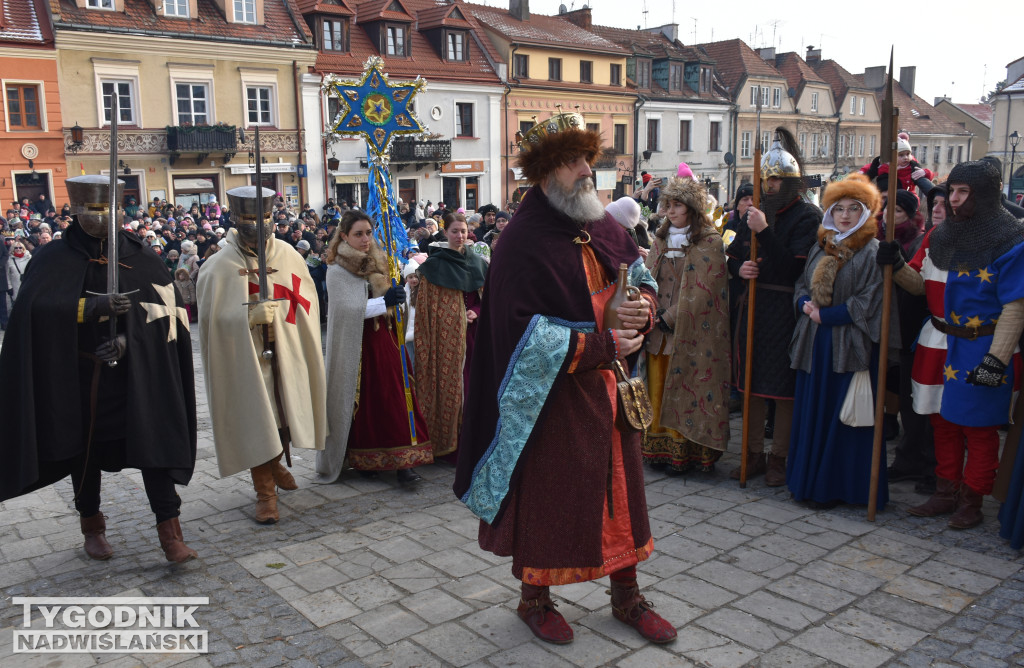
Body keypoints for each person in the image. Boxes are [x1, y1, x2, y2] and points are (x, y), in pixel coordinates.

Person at [453, 111, 675, 645]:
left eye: (586, 160)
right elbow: (518, 334)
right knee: (550, 496)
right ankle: (535, 598)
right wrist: (598, 344)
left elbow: (639, 276)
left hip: (612, 388)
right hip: (553, 399)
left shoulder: (599, 222)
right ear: (547, 172)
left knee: (621, 493)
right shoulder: (521, 241)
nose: (586, 171)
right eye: (573, 162)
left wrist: (642, 307)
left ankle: (627, 595)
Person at [0, 175, 198, 562]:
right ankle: (91, 524)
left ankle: (170, 532)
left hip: (137, 377)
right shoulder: (53, 258)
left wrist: (129, 341)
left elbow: (167, 317)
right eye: (93, 210)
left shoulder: (143, 256)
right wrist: (87, 309)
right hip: (78, 378)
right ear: (75, 211)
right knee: (83, 455)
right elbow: (33, 313)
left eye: (109, 209)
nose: (102, 217)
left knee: (152, 446)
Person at [879, 160, 1024, 529]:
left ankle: (972, 500)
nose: (953, 200)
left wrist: (997, 360)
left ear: (986, 196)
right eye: (951, 191)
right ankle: (946, 491)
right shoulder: (939, 238)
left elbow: (1015, 307)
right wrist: (895, 263)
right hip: (937, 340)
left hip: (982, 345)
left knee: (978, 429)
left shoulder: (1010, 241)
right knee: (940, 423)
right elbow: (920, 286)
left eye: (962, 193)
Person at [197, 186, 327, 525]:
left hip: (285, 352)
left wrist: (283, 319)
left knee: (283, 416)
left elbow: (306, 305)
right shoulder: (219, 265)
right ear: (237, 220)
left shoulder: (288, 255)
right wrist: (245, 318)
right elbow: (211, 321)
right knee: (256, 417)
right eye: (251, 219)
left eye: (265, 217)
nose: (259, 225)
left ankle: (274, 463)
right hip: (245, 358)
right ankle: (265, 493)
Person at [787, 174, 898, 509]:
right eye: (839, 209)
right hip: (814, 344)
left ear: (866, 213)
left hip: (848, 347)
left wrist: (829, 316)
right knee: (813, 413)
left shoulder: (873, 252)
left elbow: (870, 300)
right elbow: (801, 285)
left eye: (854, 208)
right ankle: (807, 482)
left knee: (844, 416)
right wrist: (804, 303)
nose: (845, 215)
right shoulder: (821, 247)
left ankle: (838, 488)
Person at [726, 129, 820, 486]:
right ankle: (752, 454)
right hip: (752, 305)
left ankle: (778, 456)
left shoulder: (806, 216)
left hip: (783, 307)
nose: (770, 185)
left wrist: (764, 232)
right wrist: (739, 268)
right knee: (748, 382)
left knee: (782, 387)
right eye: (766, 179)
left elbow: (793, 268)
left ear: (791, 180)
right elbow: (732, 255)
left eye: (777, 179)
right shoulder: (752, 213)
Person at [316, 210, 433, 485]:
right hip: (358, 345)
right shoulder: (337, 269)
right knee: (365, 402)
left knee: (397, 393)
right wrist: (386, 302)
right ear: (344, 236)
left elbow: (391, 301)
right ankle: (363, 458)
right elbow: (345, 310)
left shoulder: (380, 261)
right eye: (358, 234)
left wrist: (399, 297)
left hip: (388, 339)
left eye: (368, 232)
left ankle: (405, 462)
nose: (365, 239)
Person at [642, 177, 731, 474]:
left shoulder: (710, 241)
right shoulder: (660, 239)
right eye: (668, 204)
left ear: (692, 208)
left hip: (692, 334)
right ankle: (659, 450)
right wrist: (651, 311)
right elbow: (648, 280)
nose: (670, 210)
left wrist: (671, 316)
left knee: (686, 388)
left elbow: (705, 289)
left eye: (677, 204)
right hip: (658, 331)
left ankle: (687, 452)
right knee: (658, 386)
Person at [414, 214, 488, 459]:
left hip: (473, 339)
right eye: (455, 231)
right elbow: (425, 309)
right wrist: (455, 317)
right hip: (444, 341)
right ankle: (449, 447)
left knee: (472, 391)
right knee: (452, 390)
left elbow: (485, 301)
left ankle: (471, 446)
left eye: (464, 231)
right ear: (446, 233)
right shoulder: (434, 267)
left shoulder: (478, 263)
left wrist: (475, 313)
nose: (460, 236)